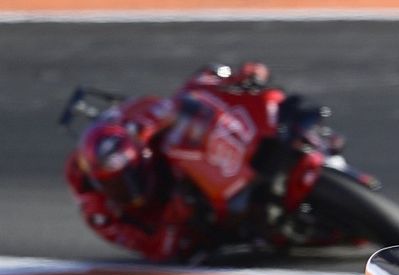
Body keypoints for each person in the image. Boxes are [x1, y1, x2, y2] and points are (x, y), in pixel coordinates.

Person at [64, 62, 277, 263]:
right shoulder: (99, 213)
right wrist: (174, 221)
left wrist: (228, 82)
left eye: (129, 178)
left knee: (206, 83)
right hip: (170, 215)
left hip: (188, 164)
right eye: (116, 184)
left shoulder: (138, 122)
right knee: (204, 242)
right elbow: (154, 248)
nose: (128, 188)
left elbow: (180, 101)